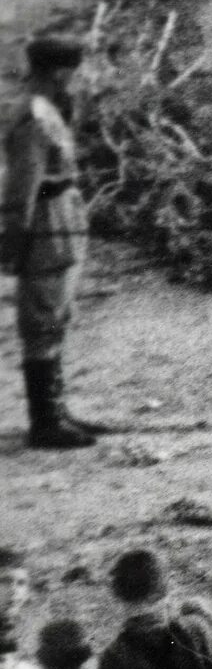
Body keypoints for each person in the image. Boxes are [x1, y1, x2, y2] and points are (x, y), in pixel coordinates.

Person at [8, 32, 97, 448]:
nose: (77, 80)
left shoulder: (48, 108)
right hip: (45, 217)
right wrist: (13, 243)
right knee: (44, 311)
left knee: (58, 308)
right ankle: (44, 422)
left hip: (61, 210)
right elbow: (23, 188)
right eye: (73, 72)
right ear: (60, 72)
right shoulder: (35, 116)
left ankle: (55, 409)